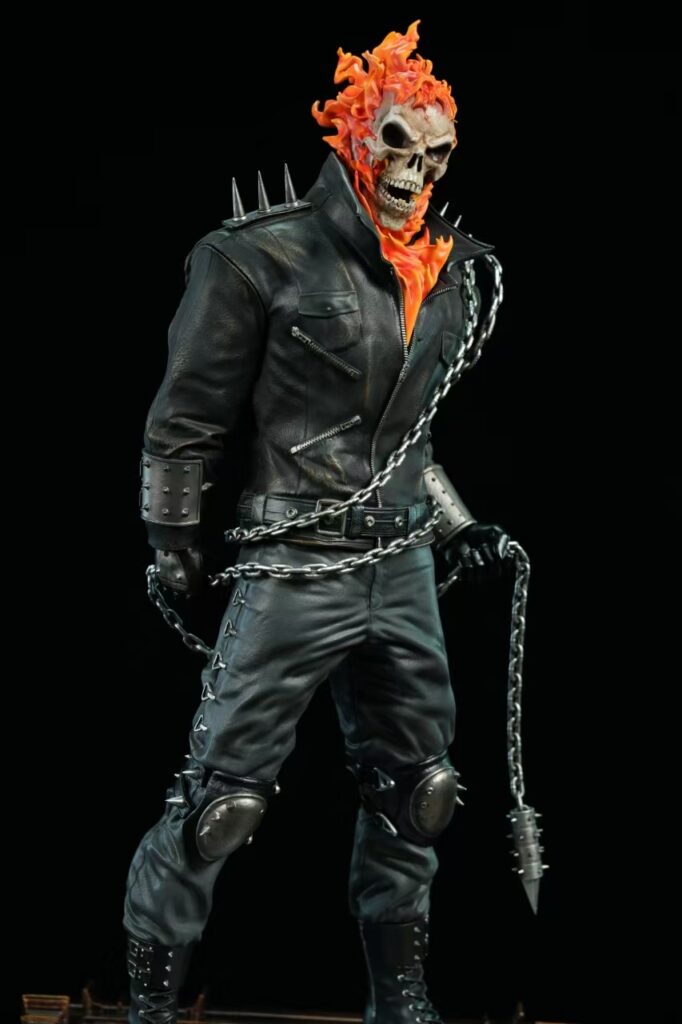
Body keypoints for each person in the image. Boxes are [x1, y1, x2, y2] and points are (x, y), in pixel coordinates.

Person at [124, 21, 510, 1024]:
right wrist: (171, 538)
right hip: (294, 557)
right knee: (220, 802)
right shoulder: (258, 258)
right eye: (397, 144)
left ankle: (402, 999)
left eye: (435, 154)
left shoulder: (443, 269)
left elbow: (409, 436)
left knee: (420, 791)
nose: (415, 172)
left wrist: (456, 523)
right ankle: (150, 1007)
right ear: (351, 134)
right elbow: (185, 417)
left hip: (402, 566)